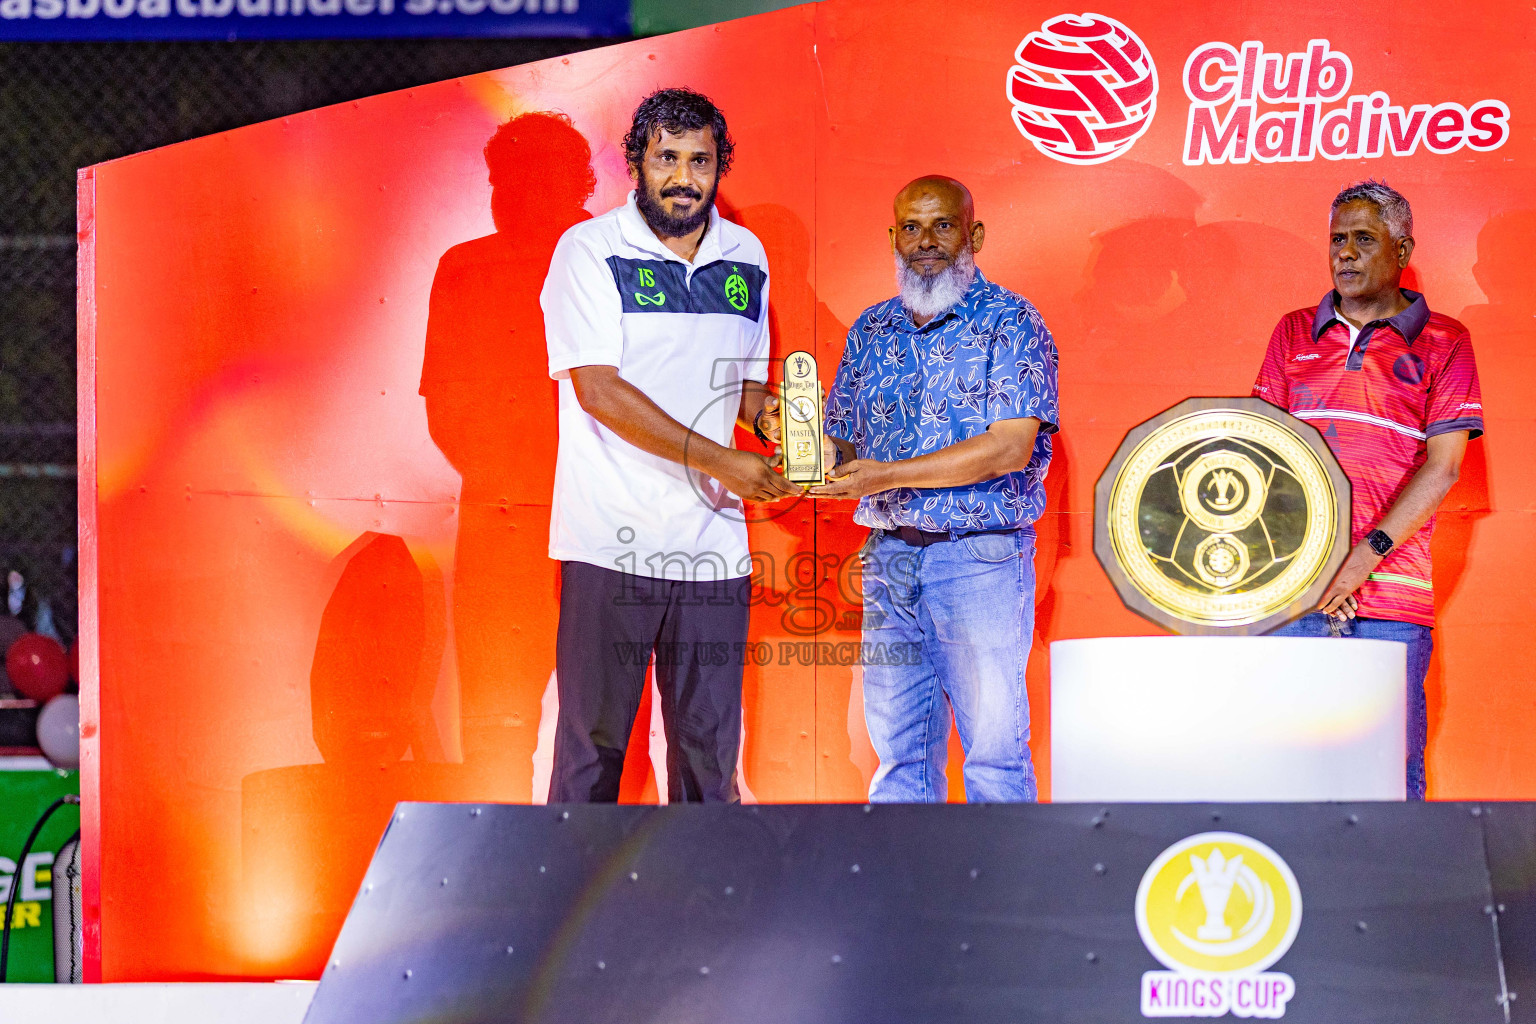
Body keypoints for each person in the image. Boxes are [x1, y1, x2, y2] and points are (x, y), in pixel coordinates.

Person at [764, 175, 1059, 803]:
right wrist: (799, 438)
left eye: (943, 225)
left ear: (975, 235)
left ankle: (1006, 872)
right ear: (893, 238)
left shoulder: (1011, 321)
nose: (925, 241)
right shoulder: (872, 328)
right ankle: (906, 872)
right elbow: (845, 442)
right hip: (889, 558)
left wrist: (886, 474)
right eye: (911, 228)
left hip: (979, 558)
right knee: (899, 757)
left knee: (994, 757)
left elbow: (1009, 447)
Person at [539, 88, 798, 803]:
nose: (684, 177)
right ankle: (577, 881)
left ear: (719, 167)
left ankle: (704, 884)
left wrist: (784, 429)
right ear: (637, 164)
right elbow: (598, 390)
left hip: (713, 548)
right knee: (592, 757)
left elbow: (743, 390)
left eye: (700, 161)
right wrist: (721, 460)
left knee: (709, 762)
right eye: (667, 159)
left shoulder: (746, 254)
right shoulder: (589, 250)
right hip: (609, 542)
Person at [1254, 180, 1483, 801]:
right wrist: (1312, 569)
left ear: (1402, 250)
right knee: (1282, 781)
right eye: (1337, 240)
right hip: (1295, 595)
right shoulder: (1293, 332)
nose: (1345, 254)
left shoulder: (1446, 340)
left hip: (1390, 601)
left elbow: (1444, 468)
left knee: (1390, 785)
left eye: (1363, 239)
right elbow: (1262, 454)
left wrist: (1359, 562)